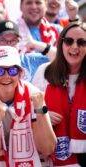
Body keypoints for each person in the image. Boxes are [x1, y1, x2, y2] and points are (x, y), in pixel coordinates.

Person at [0, 46, 56, 166]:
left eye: (12, 71)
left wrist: (40, 109)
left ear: (20, 74)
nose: (6, 76)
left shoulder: (33, 94)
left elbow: (48, 148)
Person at [43, 22, 86, 166]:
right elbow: (27, 108)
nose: (74, 47)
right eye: (69, 41)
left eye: (81, 42)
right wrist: (43, 115)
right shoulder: (44, 72)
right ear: (61, 44)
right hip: (54, 155)